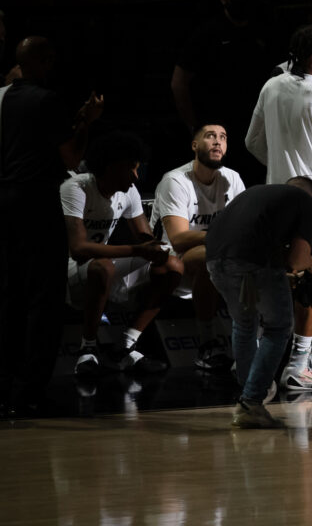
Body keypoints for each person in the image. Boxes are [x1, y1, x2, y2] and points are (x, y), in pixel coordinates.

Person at [0, 37, 102, 415]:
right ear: (43, 62)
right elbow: (72, 154)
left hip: (4, 201)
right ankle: (28, 392)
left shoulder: (2, 98)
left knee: (9, 295)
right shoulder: (47, 100)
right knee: (43, 300)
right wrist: (87, 123)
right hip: (36, 202)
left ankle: (5, 386)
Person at [247, 24, 312, 392]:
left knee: (278, 284)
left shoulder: (271, 86)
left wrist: (280, 169)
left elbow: (251, 141)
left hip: (274, 200)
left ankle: (261, 367)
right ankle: (298, 366)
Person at [205, 177, 312, 429]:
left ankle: (249, 394)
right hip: (251, 262)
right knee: (279, 326)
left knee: (244, 323)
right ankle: (251, 402)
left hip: (214, 260)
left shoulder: (257, 193)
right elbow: (296, 261)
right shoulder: (307, 204)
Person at [63, 132, 183, 377]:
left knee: (172, 266)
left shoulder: (128, 191)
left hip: (100, 264)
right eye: (132, 169)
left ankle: (126, 345)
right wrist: (138, 250)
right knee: (102, 267)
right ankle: (88, 349)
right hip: (68, 270)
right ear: (112, 167)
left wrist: (156, 249)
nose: (136, 176)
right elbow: (78, 248)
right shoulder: (75, 188)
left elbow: (143, 235)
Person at [150, 123, 246, 371]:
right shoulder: (175, 181)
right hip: (169, 261)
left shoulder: (232, 178)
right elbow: (179, 238)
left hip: (218, 255)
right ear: (195, 145)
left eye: (223, 137)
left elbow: (244, 229)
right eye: (210, 136)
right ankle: (207, 343)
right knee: (209, 256)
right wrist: (225, 237)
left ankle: (257, 341)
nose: (218, 141)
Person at [171, 0, 269, 184]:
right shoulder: (207, 33)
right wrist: (192, 125)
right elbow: (179, 81)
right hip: (216, 128)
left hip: (253, 129)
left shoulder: (262, 32)